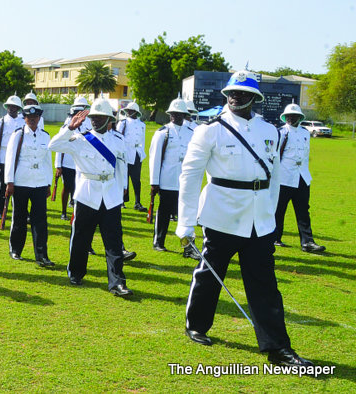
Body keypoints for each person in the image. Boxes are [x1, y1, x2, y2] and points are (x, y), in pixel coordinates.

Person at [177, 70, 312, 366]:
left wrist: (271, 216)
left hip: (258, 219)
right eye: (231, 93)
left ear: (255, 98)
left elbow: (274, 177)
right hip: (221, 213)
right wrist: (185, 223)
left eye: (243, 93)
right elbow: (189, 175)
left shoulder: (270, 131)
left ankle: (278, 348)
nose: (236, 97)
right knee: (210, 275)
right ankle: (196, 324)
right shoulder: (210, 129)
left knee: (265, 284)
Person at [49, 99, 132, 296]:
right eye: (93, 117)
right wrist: (70, 128)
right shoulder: (80, 139)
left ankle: (117, 282)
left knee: (113, 241)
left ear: (109, 120)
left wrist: (122, 190)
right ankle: (76, 273)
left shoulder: (118, 140)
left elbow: (122, 167)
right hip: (87, 194)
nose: (94, 121)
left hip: (110, 195)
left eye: (99, 117)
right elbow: (53, 145)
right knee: (81, 238)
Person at [149, 97, 201, 260]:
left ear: (185, 115)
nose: (176, 116)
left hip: (185, 180)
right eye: (173, 113)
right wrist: (154, 182)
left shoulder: (191, 133)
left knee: (186, 214)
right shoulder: (163, 132)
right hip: (167, 179)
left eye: (179, 114)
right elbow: (155, 158)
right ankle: (159, 241)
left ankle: (187, 247)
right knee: (164, 212)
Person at [4, 105, 54, 267]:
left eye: (35, 117)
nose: (32, 120)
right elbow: (10, 159)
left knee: (40, 220)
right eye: (28, 117)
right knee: (19, 218)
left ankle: (41, 255)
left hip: (39, 181)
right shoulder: (18, 135)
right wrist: (9, 182)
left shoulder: (45, 136)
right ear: (24, 118)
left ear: (39, 118)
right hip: (21, 182)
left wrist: (48, 183)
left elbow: (47, 161)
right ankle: (15, 250)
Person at [274, 103, 325, 253]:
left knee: (303, 211)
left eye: (294, 116)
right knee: (279, 210)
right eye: (288, 116)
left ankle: (307, 242)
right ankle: (275, 238)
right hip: (284, 176)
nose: (291, 118)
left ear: (300, 118)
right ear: (285, 117)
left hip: (302, 176)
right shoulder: (280, 132)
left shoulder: (305, 133)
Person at [0, 95, 24, 219]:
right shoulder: (0, 122)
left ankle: (18, 210)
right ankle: (0, 210)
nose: (12, 109)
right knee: (3, 186)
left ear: (18, 108)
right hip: (3, 158)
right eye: (10, 106)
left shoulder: (23, 122)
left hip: (20, 159)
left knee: (19, 186)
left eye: (15, 107)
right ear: (7, 107)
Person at [54, 98, 88, 221]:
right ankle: (64, 212)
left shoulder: (88, 124)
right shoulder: (66, 126)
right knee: (67, 187)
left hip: (81, 163)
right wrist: (58, 165)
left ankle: (77, 213)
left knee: (79, 188)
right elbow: (58, 146)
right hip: (68, 162)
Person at [118, 101, 147, 212]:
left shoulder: (142, 125)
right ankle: (122, 201)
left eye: (131, 111)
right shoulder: (123, 123)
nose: (129, 112)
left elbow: (143, 140)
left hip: (136, 153)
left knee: (136, 179)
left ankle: (137, 202)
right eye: (128, 110)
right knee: (123, 177)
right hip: (125, 153)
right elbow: (119, 138)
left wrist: (141, 153)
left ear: (136, 112)